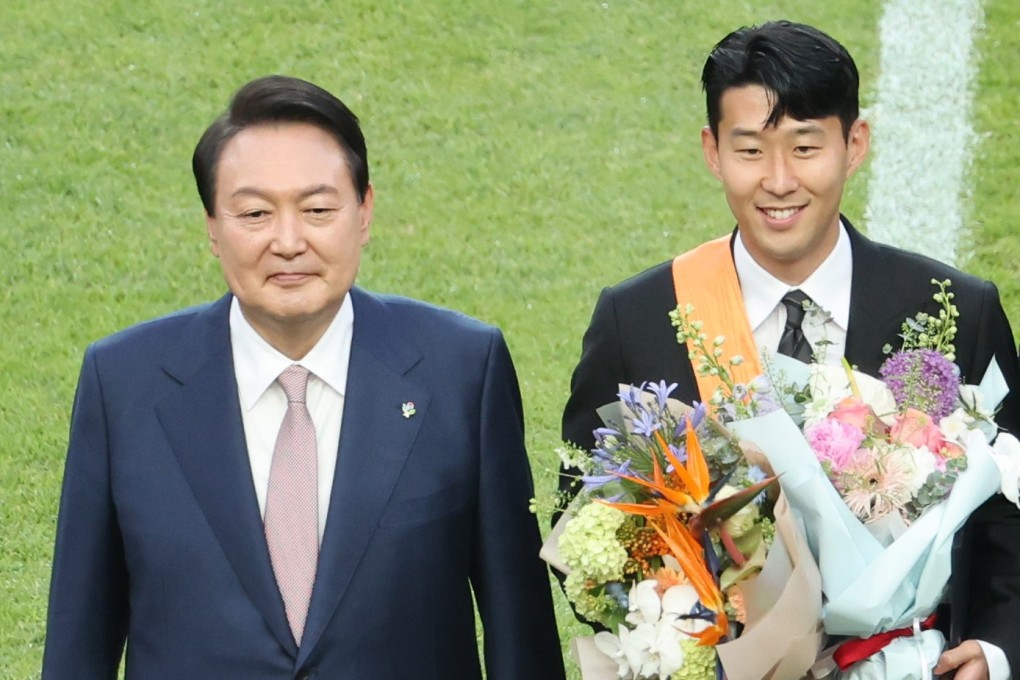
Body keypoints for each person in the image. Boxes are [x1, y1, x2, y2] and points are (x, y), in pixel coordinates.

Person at [43, 75, 566, 680]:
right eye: (255, 213)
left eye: (318, 210)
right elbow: (78, 643)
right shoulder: (124, 382)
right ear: (213, 225)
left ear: (365, 211)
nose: (288, 242)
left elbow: (519, 632)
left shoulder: (461, 370)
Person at [560, 21, 1020, 680]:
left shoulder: (955, 310)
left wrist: (999, 648)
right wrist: (684, 629)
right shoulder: (637, 320)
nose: (779, 181)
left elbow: (1010, 515)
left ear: (854, 144)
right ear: (712, 151)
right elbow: (589, 519)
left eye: (805, 147)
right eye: (750, 150)